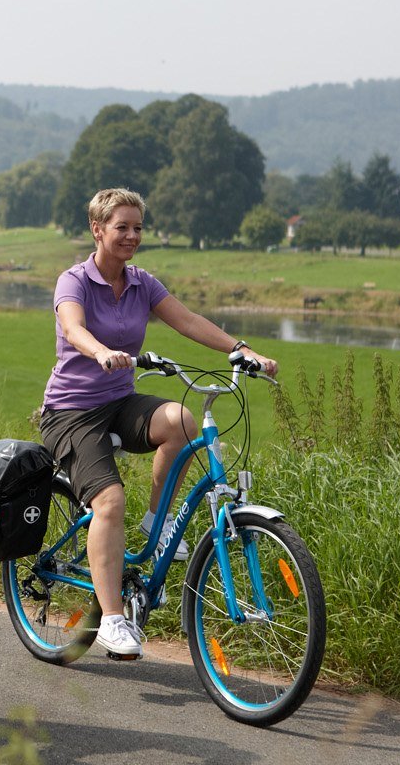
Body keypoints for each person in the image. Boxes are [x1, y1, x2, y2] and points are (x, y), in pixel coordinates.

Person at [40, 188, 277, 660]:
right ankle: (110, 620)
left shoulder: (142, 283)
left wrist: (241, 349)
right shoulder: (75, 281)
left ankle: (157, 520)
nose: (131, 236)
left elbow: (187, 320)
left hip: (118, 400)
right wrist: (100, 351)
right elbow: (73, 327)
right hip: (70, 412)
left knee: (183, 421)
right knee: (108, 499)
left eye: (138, 228)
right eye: (121, 227)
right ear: (98, 229)